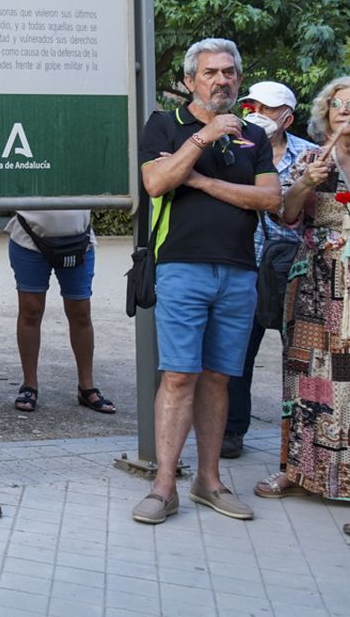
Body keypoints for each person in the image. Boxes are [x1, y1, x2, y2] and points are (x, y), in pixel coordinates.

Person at [132, 38, 279, 526]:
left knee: (219, 378)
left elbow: (269, 200)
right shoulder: (164, 125)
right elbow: (156, 183)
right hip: (181, 267)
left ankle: (208, 482)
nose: (221, 80)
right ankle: (163, 486)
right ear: (191, 80)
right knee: (178, 375)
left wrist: (201, 182)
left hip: (239, 272)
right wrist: (204, 136)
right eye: (211, 73)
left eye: (229, 73)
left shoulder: (254, 137)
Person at [259, 76, 350, 511]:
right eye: (338, 104)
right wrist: (305, 183)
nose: (346, 110)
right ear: (326, 113)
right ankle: (296, 470)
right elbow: (286, 214)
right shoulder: (314, 159)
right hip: (316, 283)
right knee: (308, 378)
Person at [222, 80, 310, 459]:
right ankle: (232, 430)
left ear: (287, 117)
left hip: (298, 269)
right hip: (247, 265)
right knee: (238, 353)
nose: (255, 113)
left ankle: (306, 435)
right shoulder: (233, 150)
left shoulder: (311, 157)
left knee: (304, 356)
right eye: (250, 105)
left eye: (267, 108)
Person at [6, 210, 113, 414]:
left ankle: (87, 387)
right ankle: (29, 385)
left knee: (81, 312)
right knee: (30, 310)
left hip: (79, 238)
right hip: (28, 239)